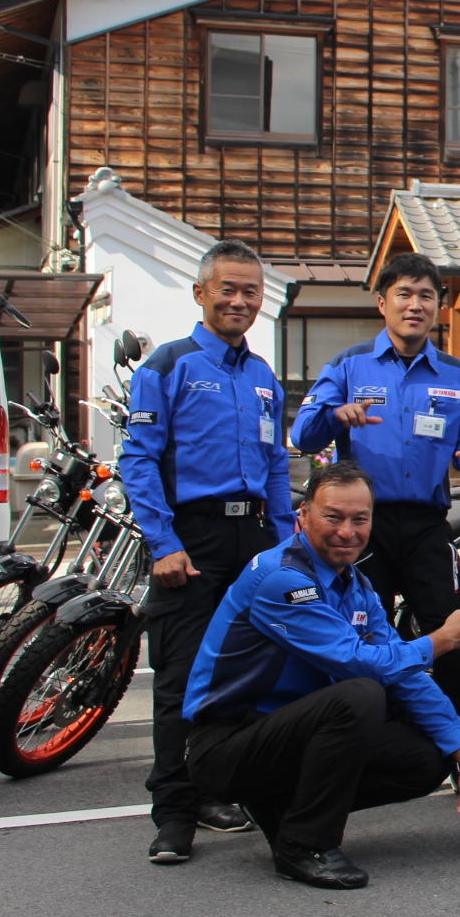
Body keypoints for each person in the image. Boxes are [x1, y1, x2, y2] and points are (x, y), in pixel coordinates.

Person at [183, 461, 460, 889]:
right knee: (361, 695)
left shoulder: (358, 585)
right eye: (332, 517)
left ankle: (285, 810)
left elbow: (405, 675)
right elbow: (356, 662)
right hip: (227, 743)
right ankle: (304, 845)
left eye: (360, 519)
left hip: (290, 733)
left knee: (425, 758)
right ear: (303, 517)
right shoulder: (282, 578)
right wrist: (442, 640)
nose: (347, 531)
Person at [120, 238, 296, 864]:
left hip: (254, 539)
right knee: (181, 676)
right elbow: (137, 461)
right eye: (228, 288)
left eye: (251, 291)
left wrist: (285, 544)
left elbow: (277, 465)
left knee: (245, 673)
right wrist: (162, 543)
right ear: (201, 293)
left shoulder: (263, 377)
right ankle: (173, 812)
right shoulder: (167, 366)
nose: (240, 301)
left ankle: (216, 788)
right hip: (192, 541)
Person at [290, 251, 460, 747]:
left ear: (436, 307)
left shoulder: (456, 374)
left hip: (429, 522)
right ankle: (368, 733)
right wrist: (335, 416)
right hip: (360, 526)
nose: (415, 305)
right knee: (365, 628)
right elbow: (302, 433)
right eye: (404, 294)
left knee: (447, 625)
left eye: (426, 296)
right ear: (382, 303)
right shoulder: (349, 364)